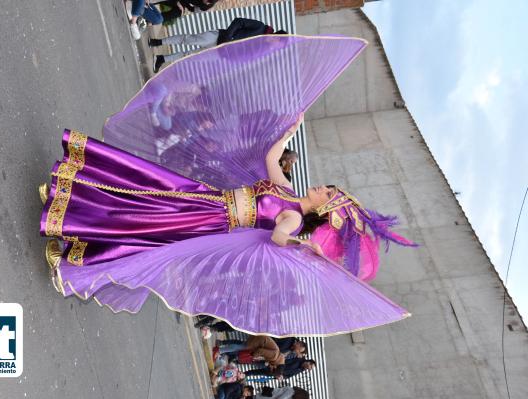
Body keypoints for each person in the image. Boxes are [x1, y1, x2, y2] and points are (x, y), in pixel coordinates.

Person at [39, 34, 414, 338]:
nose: (322, 189)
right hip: (205, 198)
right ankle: (67, 199)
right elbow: (270, 159)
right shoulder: (286, 189)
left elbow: (279, 240)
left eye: (326, 194)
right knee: (140, 192)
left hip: (209, 222)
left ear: (322, 210)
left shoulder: (294, 220)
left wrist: (306, 247)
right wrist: (289, 130)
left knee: (141, 232)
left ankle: (74, 261)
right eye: (327, 188)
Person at [148, 17, 287, 72]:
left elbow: (247, 58)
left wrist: (231, 59)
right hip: (218, 37)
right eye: (278, 45)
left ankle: (161, 59)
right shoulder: (260, 27)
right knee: (188, 40)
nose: (276, 48)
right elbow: (239, 22)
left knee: (188, 56)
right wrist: (227, 37)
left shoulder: (263, 48)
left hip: (220, 54)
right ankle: (159, 42)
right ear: (276, 38)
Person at [245, 358, 315, 381]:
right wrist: (280, 373)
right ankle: (238, 359)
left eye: (311, 369)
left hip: (273, 373)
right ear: (309, 362)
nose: (309, 369)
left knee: (255, 372)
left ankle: (243, 374)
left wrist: (282, 377)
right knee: (255, 362)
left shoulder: (301, 370)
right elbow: (284, 361)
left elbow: (289, 376)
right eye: (311, 367)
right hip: (273, 365)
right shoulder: (298, 359)